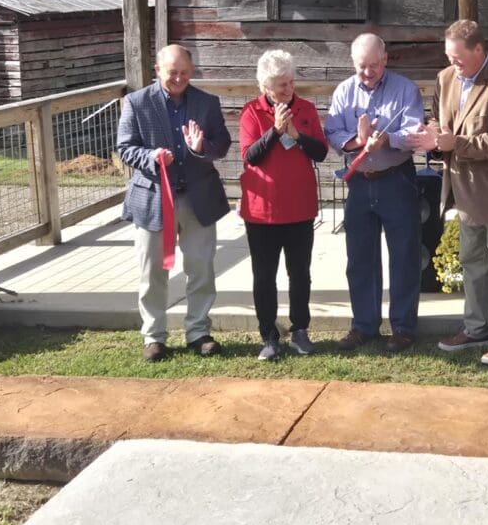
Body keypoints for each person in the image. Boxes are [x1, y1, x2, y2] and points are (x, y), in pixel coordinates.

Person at [406, 20, 488, 367]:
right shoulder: (445, 79)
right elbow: (438, 123)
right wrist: (429, 136)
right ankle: (477, 329)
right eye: (449, 57)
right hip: (463, 190)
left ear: (479, 49)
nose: (453, 64)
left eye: (459, 58)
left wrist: (454, 142)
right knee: (473, 264)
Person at [117, 44, 232, 362]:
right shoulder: (136, 102)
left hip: (198, 199)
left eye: (184, 72)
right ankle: (154, 336)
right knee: (153, 271)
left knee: (201, 269)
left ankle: (198, 332)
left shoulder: (207, 103)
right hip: (153, 200)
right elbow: (125, 147)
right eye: (172, 73)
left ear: (192, 71)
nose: (179, 78)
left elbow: (221, 145)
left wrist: (201, 146)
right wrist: (150, 156)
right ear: (157, 70)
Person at [324, 33, 425, 353]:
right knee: (360, 257)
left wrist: (388, 139)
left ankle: (403, 327)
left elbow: (414, 131)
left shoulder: (405, 89)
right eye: (361, 66)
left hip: (396, 178)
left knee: (404, 255)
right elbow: (332, 131)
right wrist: (357, 140)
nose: (366, 72)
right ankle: (364, 325)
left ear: (385, 60)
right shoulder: (343, 90)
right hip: (359, 182)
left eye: (373, 65)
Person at [239, 50, 329, 361]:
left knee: (300, 273)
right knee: (264, 276)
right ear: (265, 86)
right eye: (280, 85)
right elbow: (250, 156)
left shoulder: (305, 109)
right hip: (262, 211)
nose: (288, 89)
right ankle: (268, 335)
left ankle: (300, 329)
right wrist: (275, 132)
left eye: (290, 82)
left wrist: (297, 135)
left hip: (300, 208)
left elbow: (320, 152)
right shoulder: (251, 112)